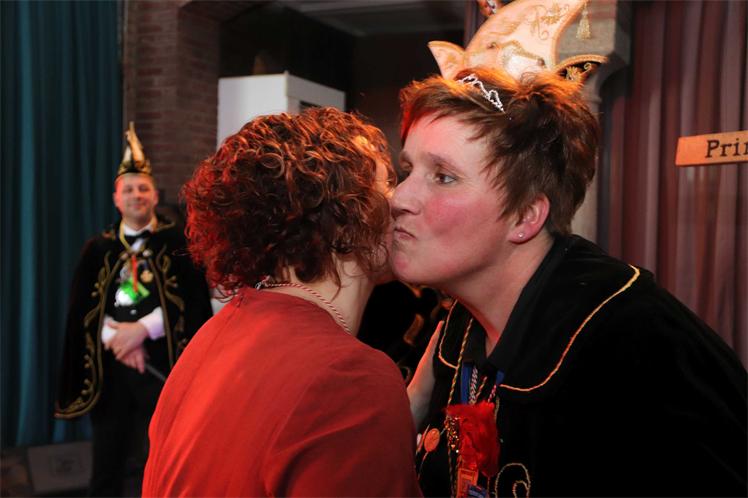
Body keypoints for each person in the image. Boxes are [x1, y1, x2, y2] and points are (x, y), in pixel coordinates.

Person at [392, 67, 747, 497]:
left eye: (443, 177)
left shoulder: (635, 340)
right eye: (407, 170)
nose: (399, 197)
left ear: (525, 217)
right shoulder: (459, 327)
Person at [141, 107, 422, 497]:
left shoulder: (219, 333)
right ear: (342, 220)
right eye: (386, 184)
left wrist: (410, 403)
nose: (402, 200)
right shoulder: (349, 377)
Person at [55, 124, 213, 496]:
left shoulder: (178, 244)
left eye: (142, 188)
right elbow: (82, 309)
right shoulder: (98, 249)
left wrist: (141, 331)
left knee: (158, 462)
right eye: (128, 189)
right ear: (116, 198)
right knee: (107, 463)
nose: (136, 195)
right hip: (111, 370)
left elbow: (193, 303)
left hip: (162, 368)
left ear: (154, 195)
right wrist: (117, 338)